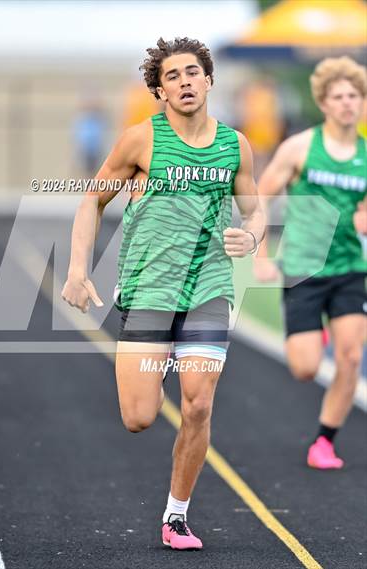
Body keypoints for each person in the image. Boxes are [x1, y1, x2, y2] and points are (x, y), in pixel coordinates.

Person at [62, 37, 265, 550]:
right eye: (172, 76)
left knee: (197, 405)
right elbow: (92, 200)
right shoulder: (140, 140)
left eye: (193, 72)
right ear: (159, 90)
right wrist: (76, 268)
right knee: (139, 418)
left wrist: (253, 234)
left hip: (209, 287)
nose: (185, 82)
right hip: (148, 287)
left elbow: (256, 209)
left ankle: (176, 517)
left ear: (210, 80)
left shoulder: (235, 145)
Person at [254, 56, 366, 470]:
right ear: (323, 102)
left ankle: (324, 442)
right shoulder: (300, 148)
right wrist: (261, 256)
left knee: (351, 357)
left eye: (354, 96)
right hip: (303, 265)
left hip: (350, 267)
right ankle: (313, 336)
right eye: (338, 96)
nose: (346, 103)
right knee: (305, 369)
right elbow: (260, 199)